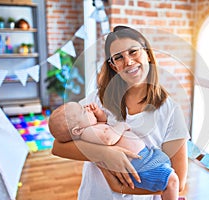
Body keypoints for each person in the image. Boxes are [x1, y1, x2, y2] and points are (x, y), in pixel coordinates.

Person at [51, 25, 190, 200]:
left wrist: (120, 186)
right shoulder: (96, 100)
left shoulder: (170, 111)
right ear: (114, 66)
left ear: (147, 52)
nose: (128, 62)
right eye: (119, 57)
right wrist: (104, 155)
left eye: (133, 52)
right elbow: (58, 147)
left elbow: (179, 182)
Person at [48, 101, 180, 200]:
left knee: (170, 177)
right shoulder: (88, 131)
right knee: (171, 180)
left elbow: (104, 124)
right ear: (76, 130)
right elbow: (107, 138)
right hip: (138, 164)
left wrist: (98, 113)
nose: (87, 108)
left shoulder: (89, 127)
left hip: (145, 158)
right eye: (84, 111)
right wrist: (121, 126)